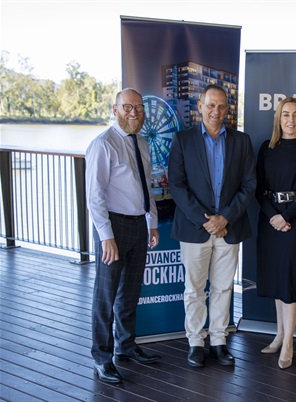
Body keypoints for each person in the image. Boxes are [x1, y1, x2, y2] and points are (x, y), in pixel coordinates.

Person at [168, 84, 256, 368]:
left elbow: (249, 185)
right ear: (200, 107)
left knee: (222, 288)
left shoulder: (242, 142)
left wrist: (225, 218)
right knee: (194, 289)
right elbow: (177, 186)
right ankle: (195, 342)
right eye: (210, 105)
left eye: (221, 106)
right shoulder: (183, 140)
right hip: (196, 228)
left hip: (229, 228)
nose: (215, 111)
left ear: (227, 109)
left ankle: (218, 341)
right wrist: (205, 221)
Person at [86, 88, 160, 383]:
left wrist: (151, 223)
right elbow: (94, 196)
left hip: (139, 225)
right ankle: (102, 358)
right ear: (114, 109)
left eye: (138, 108)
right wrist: (106, 236)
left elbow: (147, 186)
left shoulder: (141, 142)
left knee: (129, 293)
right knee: (105, 297)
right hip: (113, 228)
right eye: (127, 107)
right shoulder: (102, 145)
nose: (134, 112)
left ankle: (126, 345)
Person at [256, 97, 296, 369]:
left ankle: (290, 341)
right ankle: (279, 334)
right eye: (286, 115)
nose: (291, 120)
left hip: (295, 222)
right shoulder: (267, 148)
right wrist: (273, 216)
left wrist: (286, 216)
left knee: (291, 281)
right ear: (278, 118)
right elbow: (258, 188)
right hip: (270, 221)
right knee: (277, 279)